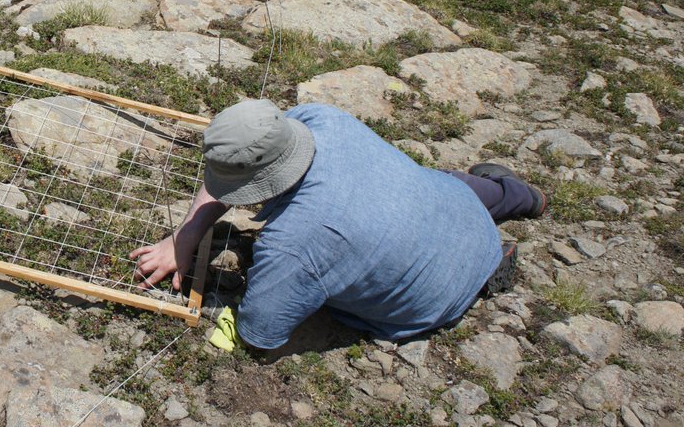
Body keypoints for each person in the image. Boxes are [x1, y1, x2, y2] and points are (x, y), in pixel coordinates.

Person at [131, 99, 545, 352]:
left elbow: (260, 332)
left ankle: (479, 275)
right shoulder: (321, 118)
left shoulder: (294, 243)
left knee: (324, 287)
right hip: (456, 209)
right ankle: (521, 197)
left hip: (436, 301)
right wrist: (186, 235)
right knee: (433, 183)